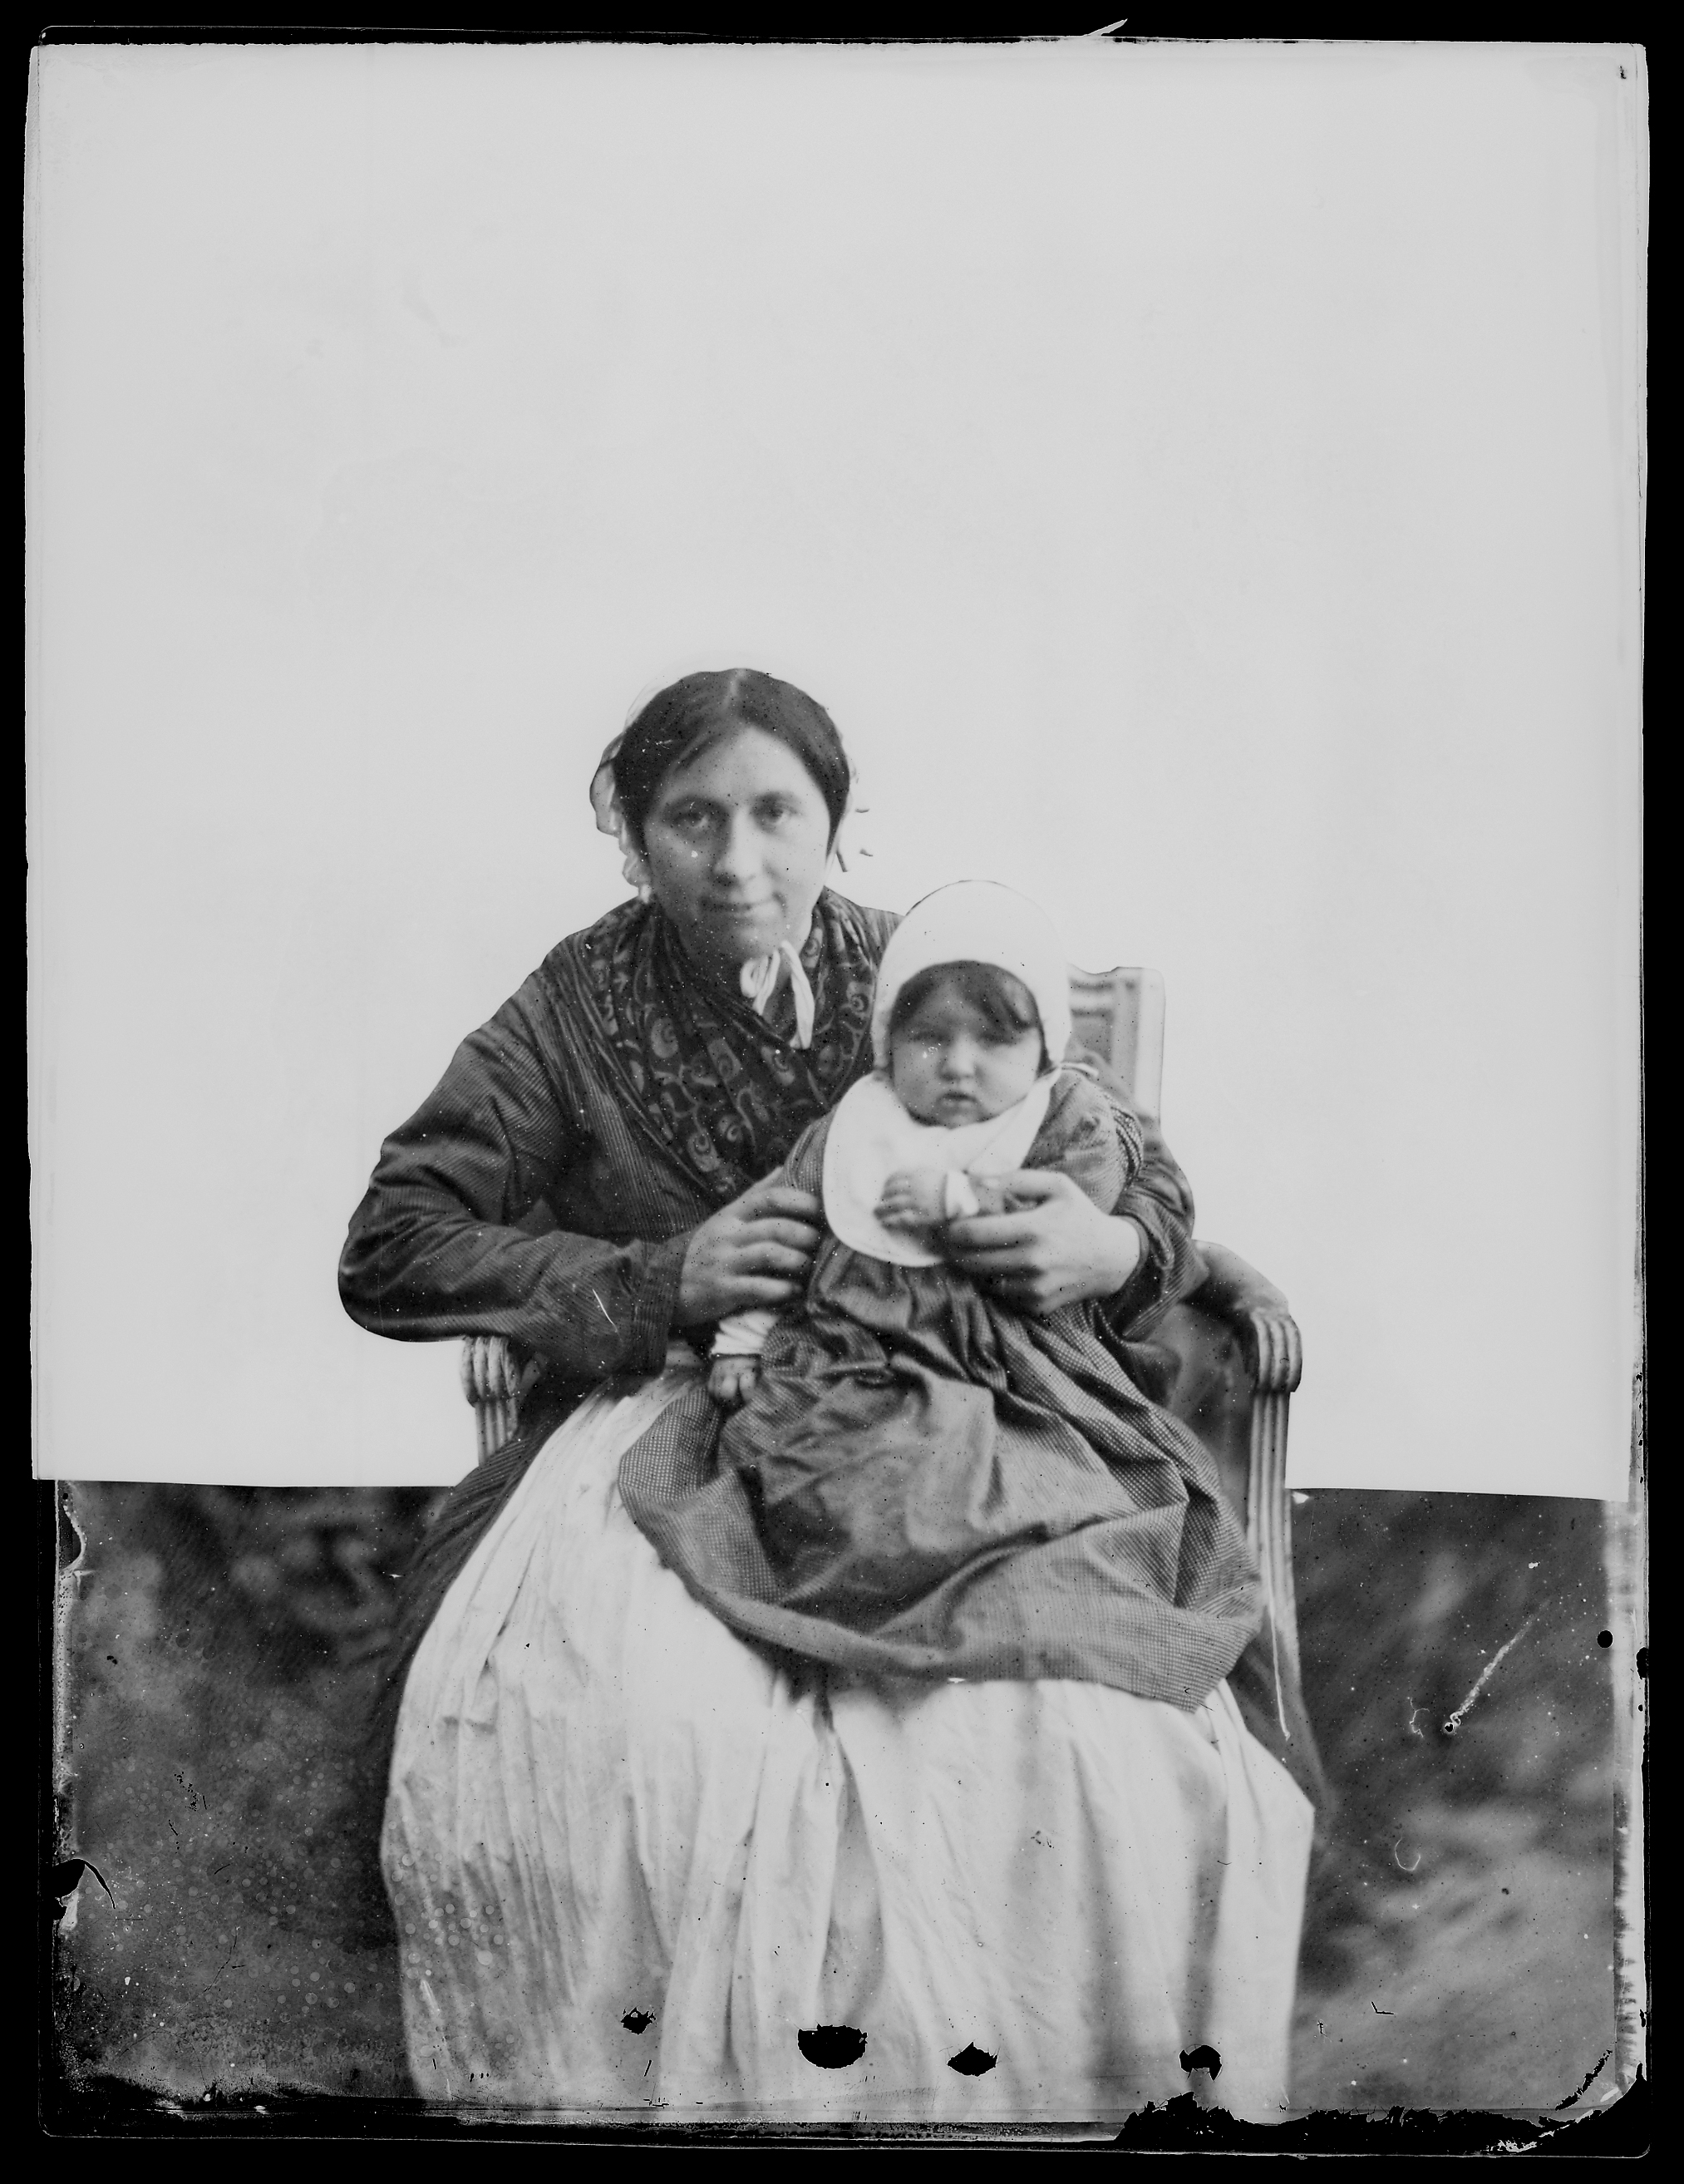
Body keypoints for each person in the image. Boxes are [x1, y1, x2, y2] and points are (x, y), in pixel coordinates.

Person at [339, 668, 1315, 2122]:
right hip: (673, 1411)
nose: (740, 861)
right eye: (692, 817)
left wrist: (1102, 1241)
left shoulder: (926, 978)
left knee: (1082, 1735)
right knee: (650, 1740)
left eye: (777, 813)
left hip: (971, 1418)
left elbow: (1130, 1159)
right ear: (630, 833)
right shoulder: (566, 1011)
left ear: (836, 824)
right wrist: (663, 1271)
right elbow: (394, 1246)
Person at [620, 880, 1266, 1707]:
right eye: (929, 1039)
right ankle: (873, 1595)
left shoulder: (1061, 1112)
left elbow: (1085, 1193)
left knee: (1012, 1489)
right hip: (856, 1361)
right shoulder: (858, 1124)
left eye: (993, 1040)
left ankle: (994, 1601)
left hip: (1014, 1367)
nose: (958, 1064)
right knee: (844, 1485)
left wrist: (959, 1199)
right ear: (890, 1043)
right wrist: (743, 1339)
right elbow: (788, 1221)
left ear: (1040, 1046)